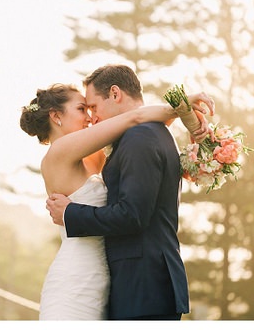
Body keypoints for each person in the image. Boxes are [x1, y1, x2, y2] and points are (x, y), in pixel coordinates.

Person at [21, 81, 211, 320]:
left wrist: (192, 130)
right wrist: (182, 107)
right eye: (82, 109)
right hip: (75, 279)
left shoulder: (90, 155)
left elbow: (139, 134)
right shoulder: (60, 151)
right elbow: (134, 119)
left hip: (103, 280)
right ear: (56, 116)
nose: (90, 117)